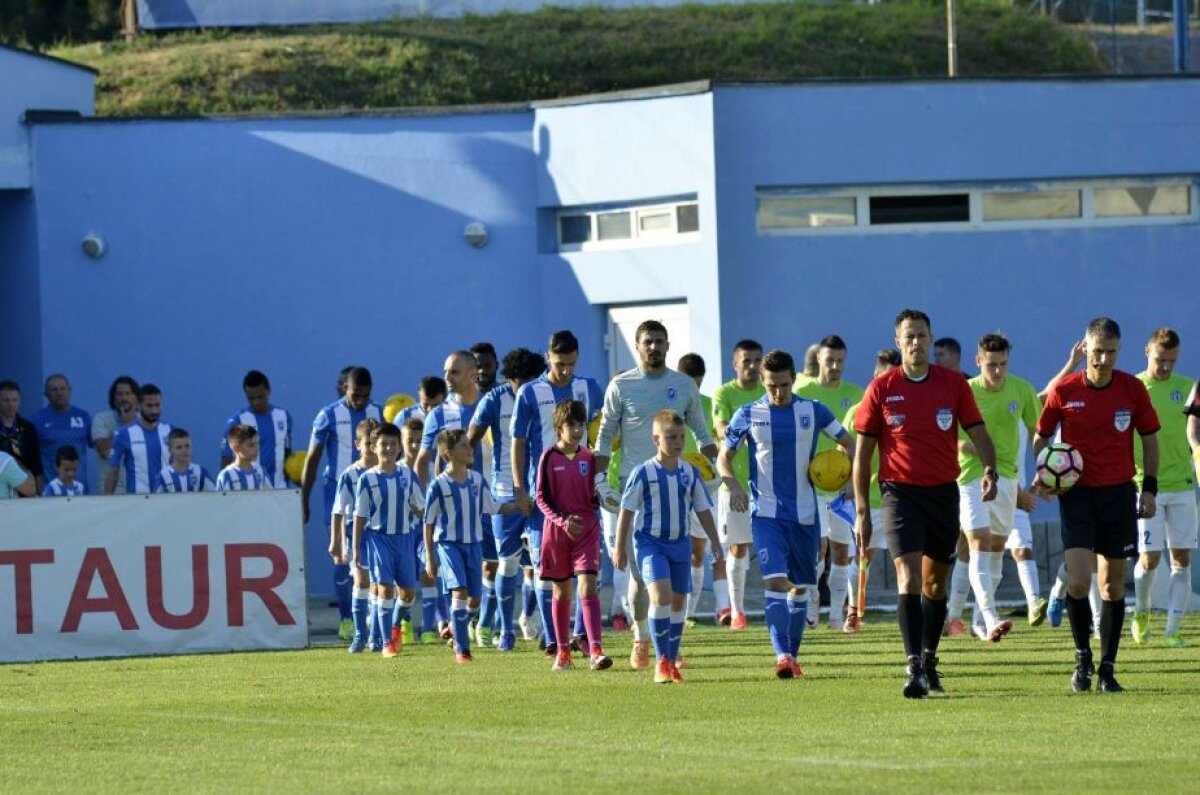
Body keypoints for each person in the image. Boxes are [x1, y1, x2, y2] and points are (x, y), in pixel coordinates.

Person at [854, 309, 997, 699]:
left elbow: (978, 431)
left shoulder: (953, 385)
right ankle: (913, 665)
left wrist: (990, 469)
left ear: (931, 339)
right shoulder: (882, 389)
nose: (915, 343)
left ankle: (931, 659)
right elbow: (862, 455)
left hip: (942, 493)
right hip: (899, 494)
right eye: (908, 337)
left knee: (936, 584)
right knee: (910, 578)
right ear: (898, 341)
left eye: (921, 336)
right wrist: (862, 511)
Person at [1034, 317, 1159, 693]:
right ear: (1085, 347)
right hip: (1077, 496)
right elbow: (1041, 438)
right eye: (1096, 350)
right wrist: (1047, 475)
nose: (1102, 358)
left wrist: (1149, 489)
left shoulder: (1132, 389)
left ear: (1118, 351)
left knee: (1112, 585)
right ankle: (1082, 659)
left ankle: (1107, 667)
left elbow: (1150, 441)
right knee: (1076, 578)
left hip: (1119, 495)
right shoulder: (1065, 390)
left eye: (1110, 352)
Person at [719, 349, 854, 679]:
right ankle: (781, 655)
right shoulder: (748, 414)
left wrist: (843, 476)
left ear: (794, 379)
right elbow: (724, 458)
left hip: (806, 515)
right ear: (762, 382)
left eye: (782, 384)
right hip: (765, 515)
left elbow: (849, 442)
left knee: (801, 588)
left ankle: (792, 657)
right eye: (770, 386)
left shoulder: (813, 410)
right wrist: (733, 485)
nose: (777, 392)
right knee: (776, 580)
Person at [595, 320, 717, 669]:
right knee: (638, 578)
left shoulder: (683, 385)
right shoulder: (621, 385)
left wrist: (718, 471)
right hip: (633, 491)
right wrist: (600, 480)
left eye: (659, 342)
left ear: (667, 345)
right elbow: (604, 438)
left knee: (674, 584)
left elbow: (703, 435)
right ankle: (640, 637)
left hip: (673, 492)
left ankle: (671, 649)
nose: (654, 347)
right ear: (637, 345)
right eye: (647, 341)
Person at [510, 330, 605, 655]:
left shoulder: (589, 387)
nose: (565, 370)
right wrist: (520, 488)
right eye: (559, 363)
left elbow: (601, 431)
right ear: (548, 357)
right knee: (546, 568)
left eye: (570, 364)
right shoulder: (530, 392)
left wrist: (601, 479)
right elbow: (518, 442)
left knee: (586, 571)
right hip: (545, 496)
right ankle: (554, 639)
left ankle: (582, 636)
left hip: (581, 492)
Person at [615, 410, 722, 683]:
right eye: (671, 437)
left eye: (681, 437)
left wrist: (716, 543)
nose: (677, 442)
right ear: (656, 439)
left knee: (678, 602)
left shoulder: (690, 472)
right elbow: (626, 511)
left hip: (680, 544)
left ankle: (672, 659)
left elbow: (704, 510)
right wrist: (619, 548)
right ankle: (661, 661)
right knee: (660, 597)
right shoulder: (643, 473)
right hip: (650, 543)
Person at [956, 333, 1042, 642]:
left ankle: (979, 621)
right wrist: (978, 451)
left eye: (1003, 364)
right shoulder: (964, 392)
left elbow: (1038, 433)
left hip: (1008, 478)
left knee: (995, 549)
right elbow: (949, 437)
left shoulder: (1021, 389)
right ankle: (990, 616)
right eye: (991, 365)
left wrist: (1042, 475)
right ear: (978, 362)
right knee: (978, 540)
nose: (997, 371)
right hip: (970, 477)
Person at [467, 347, 544, 651]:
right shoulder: (493, 400)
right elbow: (468, 442)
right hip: (505, 493)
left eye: (532, 380)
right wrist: (466, 482)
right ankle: (505, 630)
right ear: (509, 378)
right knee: (507, 563)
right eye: (520, 381)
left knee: (541, 563)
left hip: (541, 490)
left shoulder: (545, 395)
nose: (526, 387)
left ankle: (544, 630)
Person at [301, 366, 382, 641]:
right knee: (342, 555)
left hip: (373, 491)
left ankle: (375, 614)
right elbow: (313, 458)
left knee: (375, 552)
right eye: (355, 395)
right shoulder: (329, 414)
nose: (360, 401)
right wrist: (304, 498)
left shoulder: (378, 413)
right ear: (344, 389)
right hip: (338, 492)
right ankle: (347, 619)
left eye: (365, 396)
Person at [423, 429, 518, 663]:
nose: (470, 448)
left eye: (469, 444)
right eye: (464, 446)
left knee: (475, 598)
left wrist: (520, 506)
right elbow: (428, 523)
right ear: (449, 454)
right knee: (460, 593)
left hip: (474, 546)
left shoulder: (477, 479)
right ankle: (462, 650)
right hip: (449, 546)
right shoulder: (438, 486)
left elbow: (494, 506)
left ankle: (455, 629)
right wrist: (429, 557)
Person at [534, 399, 613, 672]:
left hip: (587, 530)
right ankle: (563, 652)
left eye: (581, 425)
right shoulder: (548, 457)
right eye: (571, 425)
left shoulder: (589, 458)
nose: (577, 430)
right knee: (561, 589)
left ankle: (596, 650)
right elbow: (541, 498)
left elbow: (597, 491)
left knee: (588, 585)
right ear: (559, 427)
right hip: (558, 533)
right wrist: (561, 521)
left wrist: (605, 498)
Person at [794, 335, 865, 630]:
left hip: (841, 490)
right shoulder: (802, 392)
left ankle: (836, 614)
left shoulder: (856, 395)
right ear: (818, 360)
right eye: (829, 360)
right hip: (809, 487)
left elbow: (859, 446)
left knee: (841, 551)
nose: (835, 366)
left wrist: (852, 482)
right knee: (817, 549)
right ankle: (812, 604)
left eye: (840, 361)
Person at [1130, 329, 1195, 648]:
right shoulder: (1133, 388)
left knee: (1182, 559)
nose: (1165, 366)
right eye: (1160, 359)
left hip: (1183, 484)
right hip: (1146, 486)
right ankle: (1141, 612)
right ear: (1147, 351)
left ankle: (1173, 629)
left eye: (1171, 360)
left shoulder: (1188, 389)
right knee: (1149, 559)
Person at [841, 349, 901, 632]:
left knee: (907, 559)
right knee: (863, 557)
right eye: (885, 377)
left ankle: (913, 614)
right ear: (875, 377)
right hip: (869, 498)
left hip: (901, 496)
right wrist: (848, 487)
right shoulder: (858, 411)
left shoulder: (905, 410)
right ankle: (853, 611)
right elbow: (844, 451)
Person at [353, 422, 422, 658]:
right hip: (378, 539)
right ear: (373, 447)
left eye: (393, 444)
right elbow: (360, 516)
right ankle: (386, 643)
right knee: (384, 589)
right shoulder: (367, 479)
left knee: (408, 593)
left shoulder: (407, 474)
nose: (389, 448)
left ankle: (394, 625)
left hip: (405, 539)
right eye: (384, 444)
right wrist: (355, 549)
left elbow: (420, 506)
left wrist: (430, 514)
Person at [712, 339, 765, 630]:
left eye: (757, 360)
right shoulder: (724, 393)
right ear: (735, 364)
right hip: (733, 484)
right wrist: (735, 433)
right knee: (738, 548)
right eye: (747, 361)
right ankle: (738, 612)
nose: (753, 366)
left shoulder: (768, 391)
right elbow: (721, 428)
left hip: (768, 485)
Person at [676, 353, 728, 628]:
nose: (692, 391)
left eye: (697, 384)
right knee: (681, 550)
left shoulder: (708, 405)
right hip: (672, 485)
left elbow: (717, 442)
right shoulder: (668, 404)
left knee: (700, 549)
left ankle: (693, 613)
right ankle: (680, 611)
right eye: (688, 384)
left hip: (702, 486)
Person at [333, 418, 381, 651]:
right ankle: (360, 634)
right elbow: (338, 511)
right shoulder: (349, 475)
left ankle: (376, 635)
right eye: (367, 442)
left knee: (379, 585)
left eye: (376, 442)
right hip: (357, 533)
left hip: (383, 534)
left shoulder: (389, 472)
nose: (372, 447)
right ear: (357, 445)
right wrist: (337, 542)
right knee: (362, 581)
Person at [219, 370, 293, 488]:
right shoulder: (238, 421)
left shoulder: (284, 417)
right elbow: (226, 459)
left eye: (260, 397)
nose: (256, 402)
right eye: (251, 398)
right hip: (250, 493)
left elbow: (287, 453)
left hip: (280, 491)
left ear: (268, 391)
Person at [105, 384, 172, 495]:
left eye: (157, 405)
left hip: (167, 499)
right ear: (139, 405)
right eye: (149, 406)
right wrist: (106, 502)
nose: (154, 410)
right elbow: (113, 471)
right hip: (137, 502)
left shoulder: (170, 431)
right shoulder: (123, 434)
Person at [33, 374, 92, 493]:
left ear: (70, 391)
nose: (59, 392)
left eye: (62, 388)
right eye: (54, 389)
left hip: (80, 490)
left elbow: (98, 446)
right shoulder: (37, 420)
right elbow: (33, 459)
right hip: (52, 491)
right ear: (46, 394)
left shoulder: (83, 416)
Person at [92, 376, 139, 496]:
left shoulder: (144, 422)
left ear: (136, 397)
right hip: (112, 490)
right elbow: (105, 452)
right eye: (119, 394)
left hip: (140, 488)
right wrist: (125, 426)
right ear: (113, 398)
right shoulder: (102, 419)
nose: (124, 398)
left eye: (128, 393)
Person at [0, 380, 43, 493]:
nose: (11, 404)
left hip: (26, 486)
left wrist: (40, 493)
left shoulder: (28, 428)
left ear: (20, 402)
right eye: (6, 400)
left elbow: (37, 465)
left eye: (14, 400)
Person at [153, 428, 215, 493]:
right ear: (170, 450)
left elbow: (213, 496)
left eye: (187, 446)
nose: (184, 450)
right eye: (179, 447)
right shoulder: (163, 476)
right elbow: (156, 501)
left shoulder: (200, 472)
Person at [215, 424, 273, 491]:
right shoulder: (227, 475)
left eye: (257, 444)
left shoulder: (260, 471)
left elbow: (271, 497)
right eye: (251, 445)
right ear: (236, 448)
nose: (256, 448)